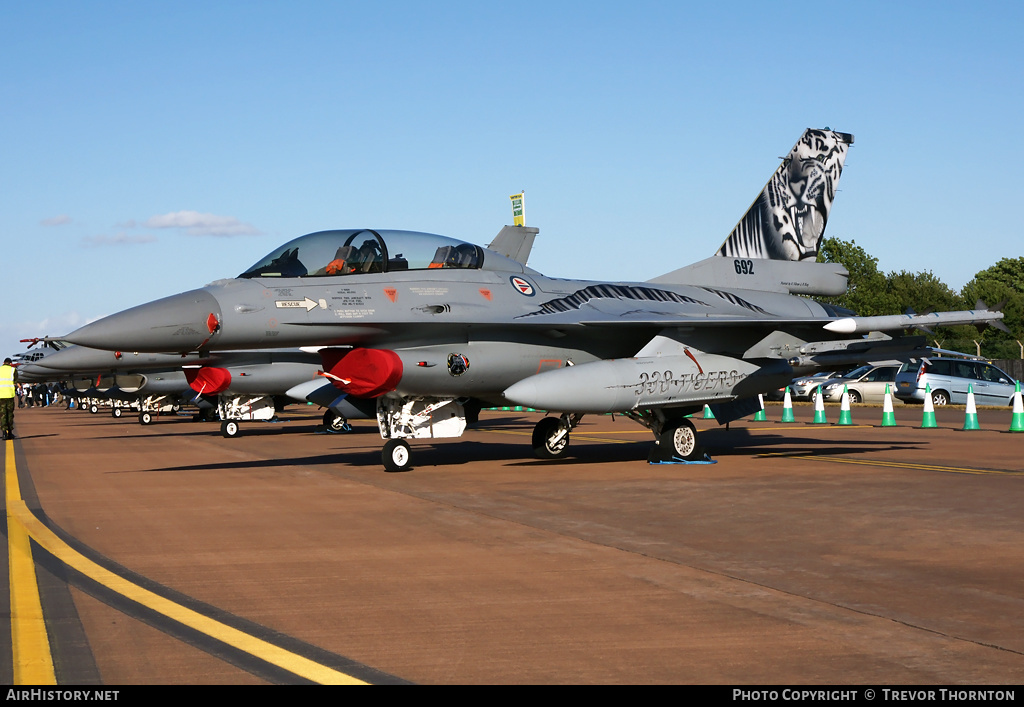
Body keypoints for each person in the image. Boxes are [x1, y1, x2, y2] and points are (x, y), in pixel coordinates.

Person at [0, 357, 16, 440]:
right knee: (10, 414)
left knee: (2, 414)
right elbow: (15, 381)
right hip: (9, 395)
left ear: (3, 362)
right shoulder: (13, 370)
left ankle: (3, 433)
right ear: (10, 363)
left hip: (0, 396)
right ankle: (10, 433)